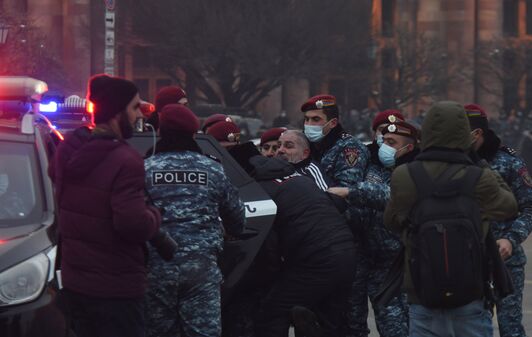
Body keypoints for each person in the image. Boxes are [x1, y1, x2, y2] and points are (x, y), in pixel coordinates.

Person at [384, 101, 518, 337]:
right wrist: (480, 162)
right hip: (470, 292)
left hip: (421, 291)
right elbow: (508, 206)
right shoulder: (478, 176)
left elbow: (392, 221)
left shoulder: (404, 175)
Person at [48, 74, 163, 337]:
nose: (139, 116)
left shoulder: (68, 151)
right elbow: (132, 224)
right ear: (116, 112)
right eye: (134, 108)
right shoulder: (126, 160)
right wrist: (154, 216)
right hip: (117, 289)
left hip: (76, 284)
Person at [144, 104, 245, 337]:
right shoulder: (212, 169)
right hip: (201, 270)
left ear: (161, 132)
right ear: (193, 134)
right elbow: (238, 220)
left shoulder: (144, 169)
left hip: (156, 270)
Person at [249, 155, 356, 337]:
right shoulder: (301, 179)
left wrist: (269, 275)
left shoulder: (261, 190)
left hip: (316, 259)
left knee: (273, 312)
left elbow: (269, 244)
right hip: (347, 251)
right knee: (327, 319)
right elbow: (336, 203)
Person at [330, 119, 418, 337]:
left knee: (395, 325)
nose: (384, 145)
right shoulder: (371, 164)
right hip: (364, 254)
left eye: (391, 142)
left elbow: (395, 197)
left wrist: (352, 192)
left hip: (396, 260)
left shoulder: (416, 170)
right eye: (383, 139)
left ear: (408, 147)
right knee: (354, 322)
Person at [465, 103, 532, 337]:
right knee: (474, 327)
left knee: (510, 326)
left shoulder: (508, 161)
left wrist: (511, 239)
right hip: (468, 261)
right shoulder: (455, 161)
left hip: (506, 261)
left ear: (477, 133)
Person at [301, 94, 368, 188]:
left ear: (333, 123)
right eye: (306, 119)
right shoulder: (304, 143)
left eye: (316, 119)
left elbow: (346, 190)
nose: (309, 124)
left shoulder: (349, 146)